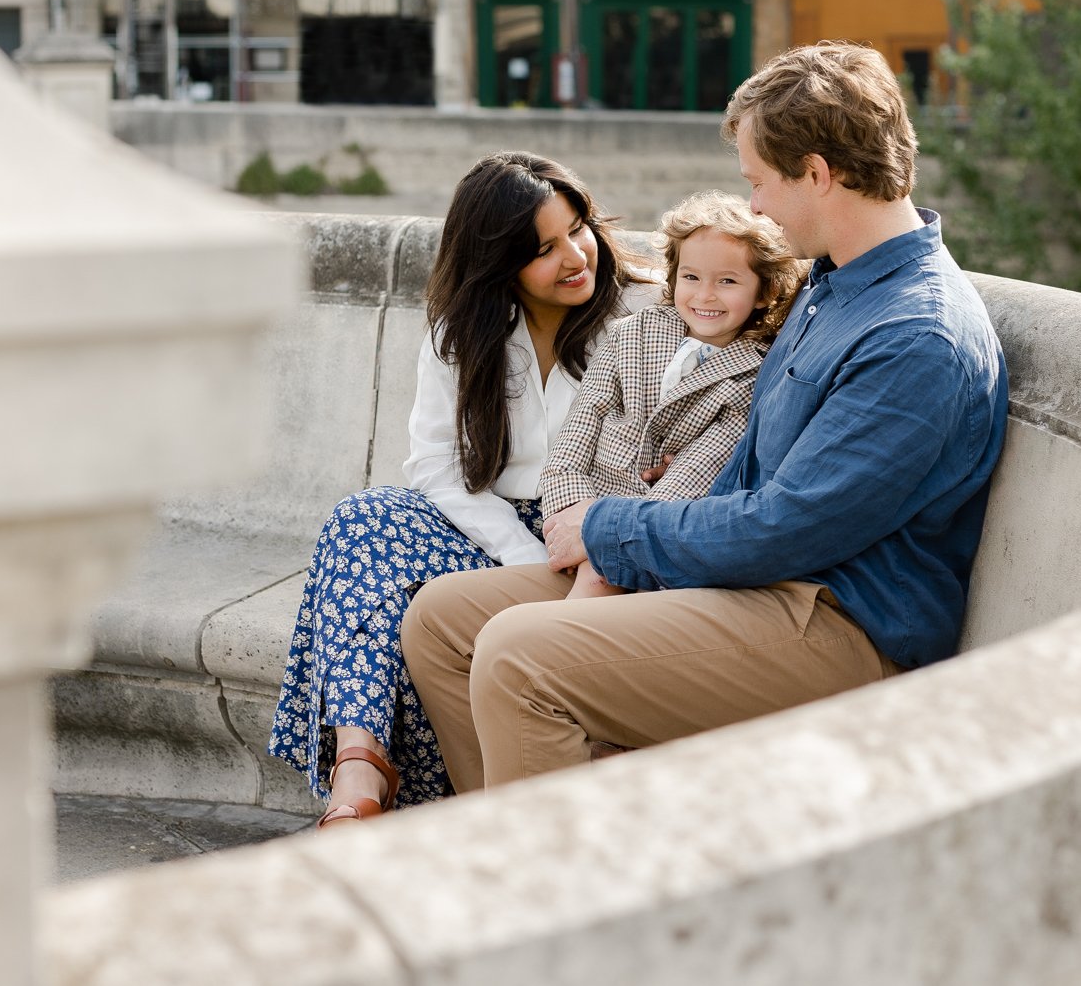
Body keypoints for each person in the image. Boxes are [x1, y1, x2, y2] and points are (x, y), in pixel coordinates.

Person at [400, 42, 1010, 793]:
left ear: (817, 173)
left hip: (838, 625)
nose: (754, 206)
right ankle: (531, 845)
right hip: (758, 583)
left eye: (758, 182)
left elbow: (783, 529)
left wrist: (612, 527)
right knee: (440, 622)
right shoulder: (833, 284)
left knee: (519, 658)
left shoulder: (916, 336)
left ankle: (546, 899)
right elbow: (747, 462)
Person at [266, 151, 643, 826]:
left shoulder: (645, 315)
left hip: (600, 539)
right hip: (497, 531)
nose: (575, 256)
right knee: (364, 521)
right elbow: (436, 467)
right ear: (497, 262)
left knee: (410, 602)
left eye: (577, 229)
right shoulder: (461, 332)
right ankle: (359, 770)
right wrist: (524, 557)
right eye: (543, 249)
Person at [542, 190, 803, 600]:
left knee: (571, 616)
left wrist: (605, 544)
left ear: (765, 291)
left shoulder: (754, 377)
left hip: (649, 546)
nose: (704, 295)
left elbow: (692, 479)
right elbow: (575, 438)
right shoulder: (632, 334)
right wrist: (572, 514)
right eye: (691, 277)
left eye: (728, 281)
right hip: (580, 518)